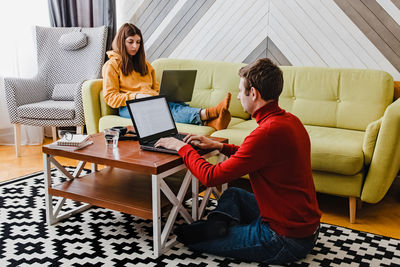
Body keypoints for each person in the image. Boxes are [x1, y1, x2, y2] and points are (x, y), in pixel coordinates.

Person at [155, 58, 321, 265]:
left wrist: (182, 148)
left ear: (254, 93)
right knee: (233, 194)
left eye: (241, 91)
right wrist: (219, 146)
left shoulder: (266, 132)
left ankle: (220, 229)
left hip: (284, 239)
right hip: (306, 227)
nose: (238, 96)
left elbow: (211, 176)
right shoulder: (289, 121)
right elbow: (255, 155)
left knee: (191, 238)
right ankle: (220, 226)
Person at [102, 23, 231, 130]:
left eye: (138, 42)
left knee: (176, 103)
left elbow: (155, 88)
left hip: (149, 100)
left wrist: (166, 93)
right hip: (128, 107)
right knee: (162, 107)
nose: (135, 46)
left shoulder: (145, 65)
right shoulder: (111, 65)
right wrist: (136, 96)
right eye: (130, 42)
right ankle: (209, 112)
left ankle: (210, 122)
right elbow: (110, 97)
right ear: (121, 42)